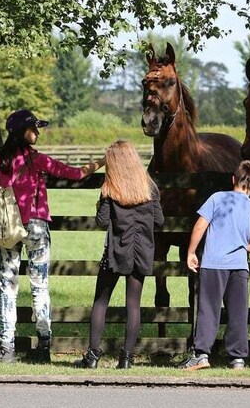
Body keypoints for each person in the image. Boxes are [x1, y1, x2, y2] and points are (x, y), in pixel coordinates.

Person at [0, 109, 105, 364]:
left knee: (7, 287)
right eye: (34, 128)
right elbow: (77, 173)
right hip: (36, 227)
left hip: (6, 228)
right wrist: (104, 161)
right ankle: (43, 345)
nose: (38, 132)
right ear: (22, 132)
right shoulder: (38, 160)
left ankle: (6, 348)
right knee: (40, 287)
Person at [76, 140, 164, 370]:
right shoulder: (150, 188)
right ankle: (126, 358)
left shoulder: (110, 189)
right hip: (142, 251)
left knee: (100, 302)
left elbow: (102, 221)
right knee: (133, 305)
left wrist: (99, 205)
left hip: (116, 252)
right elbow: (160, 221)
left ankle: (93, 356)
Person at [180, 160, 250, 371]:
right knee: (238, 312)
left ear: (233, 179)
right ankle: (237, 359)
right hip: (239, 266)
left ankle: (202, 355)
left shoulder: (217, 198)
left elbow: (200, 225)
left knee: (208, 309)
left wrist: (191, 251)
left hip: (213, 263)